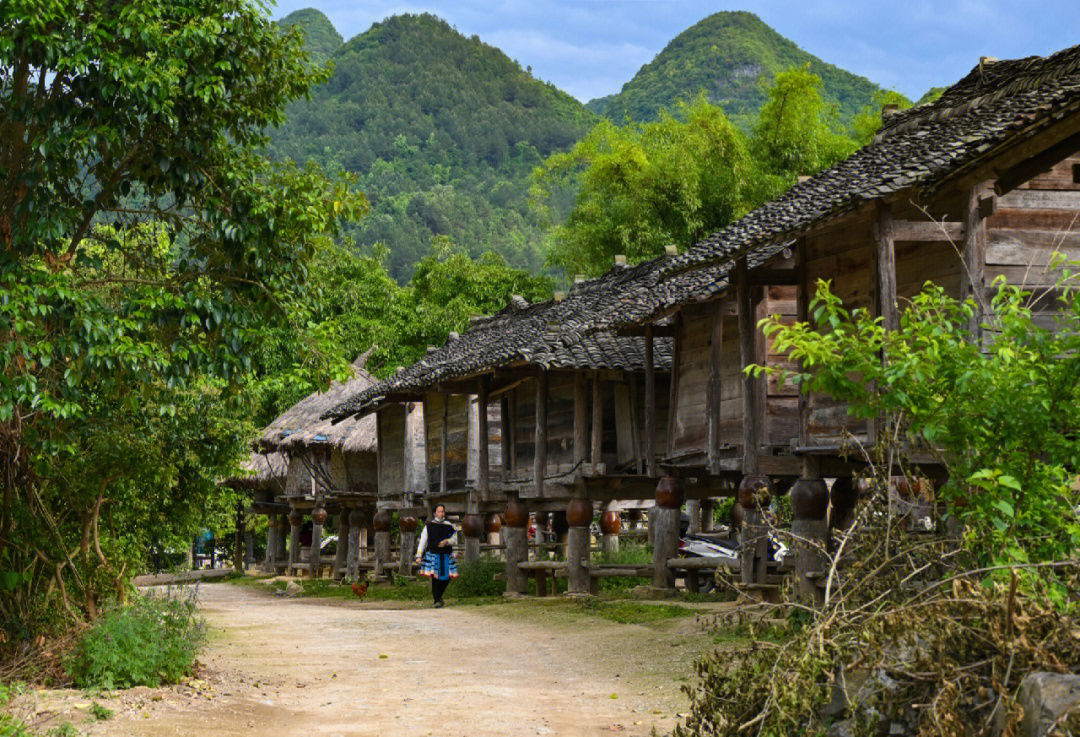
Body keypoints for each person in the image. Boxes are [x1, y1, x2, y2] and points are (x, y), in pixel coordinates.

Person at [415, 505, 458, 607]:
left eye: (443, 511)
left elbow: (455, 539)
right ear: (435, 513)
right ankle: (436, 599)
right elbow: (423, 541)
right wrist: (419, 555)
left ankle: (439, 596)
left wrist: (447, 541)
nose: (441, 513)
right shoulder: (429, 526)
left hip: (446, 554)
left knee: (447, 577)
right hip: (434, 554)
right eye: (439, 511)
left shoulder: (448, 525)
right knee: (435, 577)